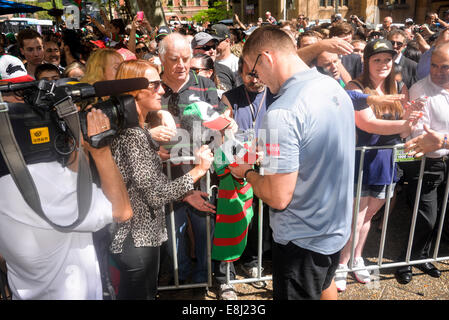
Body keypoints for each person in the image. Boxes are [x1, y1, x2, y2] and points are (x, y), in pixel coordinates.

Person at [229, 25, 356, 300]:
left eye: (254, 70)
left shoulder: (282, 112)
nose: (257, 78)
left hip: (302, 240)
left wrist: (247, 172)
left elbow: (277, 197)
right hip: (335, 228)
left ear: (266, 58)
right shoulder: (332, 87)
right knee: (325, 285)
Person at [0, 54, 133, 300]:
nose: (25, 103)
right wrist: (101, 152)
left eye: (28, 94)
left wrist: (77, 146)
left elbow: (74, 182)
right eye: (14, 96)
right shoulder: (46, 180)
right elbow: (122, 211)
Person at [108, 59, 214, 300]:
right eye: (154, 85)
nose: (162, 90)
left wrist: (187, 194)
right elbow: (155, 194)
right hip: (135, 240)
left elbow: (145, 188)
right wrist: (198, 170)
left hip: (142, 239)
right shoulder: (132, 135)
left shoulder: (137, 131)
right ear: (134, 91)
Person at [335, 39, 416, 292]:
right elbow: (367, 123)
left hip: (388, 161)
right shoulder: (355, 87)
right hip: (362, 160)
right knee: (355, 217)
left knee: (368, 215)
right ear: (366, 61)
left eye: (387, 59)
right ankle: (341, 263)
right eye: (377, 59)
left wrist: (413, 117)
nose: (383, 64)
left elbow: (405, 129)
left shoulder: (400, 85)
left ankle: (357, 257)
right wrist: (406, 124)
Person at [157, 32, 219, 288]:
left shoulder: (205, 86)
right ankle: (179, 275)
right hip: (164, 176)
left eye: (186, 58)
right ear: (161, 58)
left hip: (201, 174)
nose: (181, 65)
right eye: (174, 59)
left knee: (204, 229)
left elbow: (216, 129)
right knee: (173, 232)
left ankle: (203, 277)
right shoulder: (153, 87)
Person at [217, 56, 277, 299]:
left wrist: (267, 151)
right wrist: (243, 152)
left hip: (267, 166)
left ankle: (252, 259)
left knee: (259, 219)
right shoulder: (229, 97)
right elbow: (221, 132)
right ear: (240, 72)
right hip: (235, 170)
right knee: (230, 220)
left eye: (258, 73)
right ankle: (225, 275)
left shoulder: (276, 95)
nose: (254, 79)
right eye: (248, 74)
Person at [395, 42, 449, 285]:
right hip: (426, 164)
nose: (438, 71)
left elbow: (437, 139)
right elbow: (419, 135)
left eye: (445, 67)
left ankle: (422, 257)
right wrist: (435, 142)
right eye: (434, 66)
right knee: (426, 215)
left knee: (440, 215)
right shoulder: (420, 89)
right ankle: (406, 261)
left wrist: (442, 140)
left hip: (445, 161)